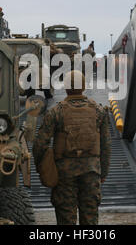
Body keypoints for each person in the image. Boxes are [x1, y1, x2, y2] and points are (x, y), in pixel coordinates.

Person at [33, 70, 111, 225]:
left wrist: (42, 169)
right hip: (91, 171)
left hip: (64, 173)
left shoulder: (55, 112)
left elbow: (40, 144)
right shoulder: (99, 111)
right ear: (83, 87)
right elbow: (105, 145)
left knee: (66, 216)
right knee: (90, 216)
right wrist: (103, 172)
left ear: (66, 87)